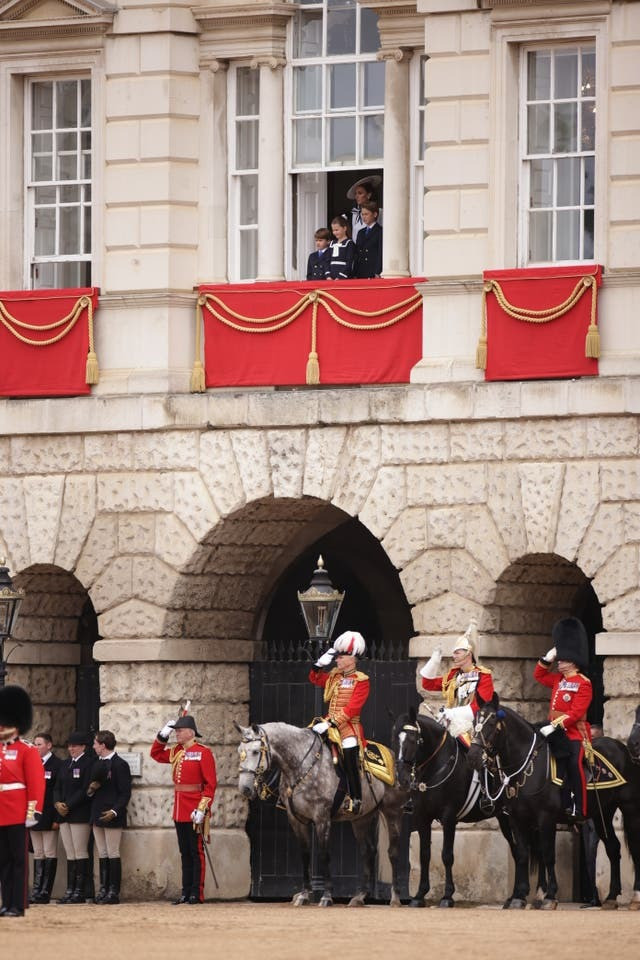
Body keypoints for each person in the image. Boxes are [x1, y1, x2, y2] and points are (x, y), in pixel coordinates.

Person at [150, 713, 217, 904]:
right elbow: (155, 754)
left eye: (179, 731)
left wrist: (202, 809)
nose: (176, 734)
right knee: (185, 853)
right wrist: (162, 735)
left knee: (196, 853)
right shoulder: (177, 751)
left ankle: (197, 892)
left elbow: (210, 785)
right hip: (180, 810)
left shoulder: (203, 752)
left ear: (190, 732)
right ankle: (185, 891)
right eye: (175, 731)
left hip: (195, 810)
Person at [534, 616, 593, 823]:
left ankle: (580, 806)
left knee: (574, 765)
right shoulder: (559, 680)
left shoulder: (583, 683)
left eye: (562, 659)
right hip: (556, 732)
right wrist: (546, 659)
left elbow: (576, 713)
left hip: (576, 734)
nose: (559, 662)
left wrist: (555, 725)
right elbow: (539, 676)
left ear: (573, 661)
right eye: (559, 659)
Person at [309, 630, 369, 814]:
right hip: (329, 721)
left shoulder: (361, 680)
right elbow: (314, 679)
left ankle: (355, 797)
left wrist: (330, 724)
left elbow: (352, 709)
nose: (337, 660)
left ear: (352, 658)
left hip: (348, 726)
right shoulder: (334, 677)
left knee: (350, 754)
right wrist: (318, 665)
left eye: (340, 657)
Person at [0, 685, 45, 918]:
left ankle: (18, 904)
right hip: (0, 812)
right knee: (3, 861)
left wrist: (32, 812)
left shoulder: (26, 750)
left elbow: (36, 783)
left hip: (18, 811)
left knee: (19, 861)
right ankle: (6, 902)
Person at [419, 619, 494, 742]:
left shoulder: (483, 676)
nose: (454, 656)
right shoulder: (454, 676)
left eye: (457, 653)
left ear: (468, 654)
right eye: (454, 653)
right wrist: (434, 661)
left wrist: (451, 713)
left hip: (475, 728)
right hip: (453, 724)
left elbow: (480, 706)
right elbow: (427, 684)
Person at [88, 730, 132, 905]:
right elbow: (89, 789)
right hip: (97, 812)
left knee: (113, 852)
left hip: (112, 814)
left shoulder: (120, 764)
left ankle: (113, 891)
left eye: (95, 744)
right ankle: (104, 889)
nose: (93, 746)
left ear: (103, 745)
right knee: (102, 852)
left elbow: (125, 792)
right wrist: (91, 788)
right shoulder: (96, 763)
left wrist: (115, 811)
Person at [54, 730, 94, 903]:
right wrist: (57, 803)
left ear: (83, 747)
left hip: (79, 813)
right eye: (69, 746)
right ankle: (70, 889)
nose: (71, 749)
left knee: (80, 851)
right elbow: (57, 786)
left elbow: (85, 789)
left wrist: (69, 805)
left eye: (75, 746)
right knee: (70, 853)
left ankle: (80, 890)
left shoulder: (89, 763)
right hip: (64, 814)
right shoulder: (65, 764)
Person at [29, 731, 64, 904]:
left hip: (49, 814)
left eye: (39, 744)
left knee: (49, 852)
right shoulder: (31, 764)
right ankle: (36, 890)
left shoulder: (58, 765)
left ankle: (45, 891)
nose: (36, 748)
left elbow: (58, 793)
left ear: (49, 745)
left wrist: (57, 818)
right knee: (38, 853)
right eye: (34, 744)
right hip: (34, 814)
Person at [346, 175, 382, 244]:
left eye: (360, 193)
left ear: (368, 195)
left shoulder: (380, 212)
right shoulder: (354, 214)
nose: (356, 196)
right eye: (355, 193)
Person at [353, 201, 383, 279]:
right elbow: (357, 254)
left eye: (366, 214)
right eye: (362, 214)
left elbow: (380, 252)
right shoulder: (360, 232)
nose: (363, 217)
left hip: (373, 271)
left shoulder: (380, 231)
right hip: (361, 271)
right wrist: (355, 272)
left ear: (375, 214)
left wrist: (377, 271)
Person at [325, 215, 356, 280]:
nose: (334, 232)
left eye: (337, 230)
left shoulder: (349, 243)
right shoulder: (332, 243)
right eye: (333, 230)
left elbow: (349, 262)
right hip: (331, 278)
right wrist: (328, 276)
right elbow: (327, 261)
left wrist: (340, 277)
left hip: (344, 278)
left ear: (344, 228)